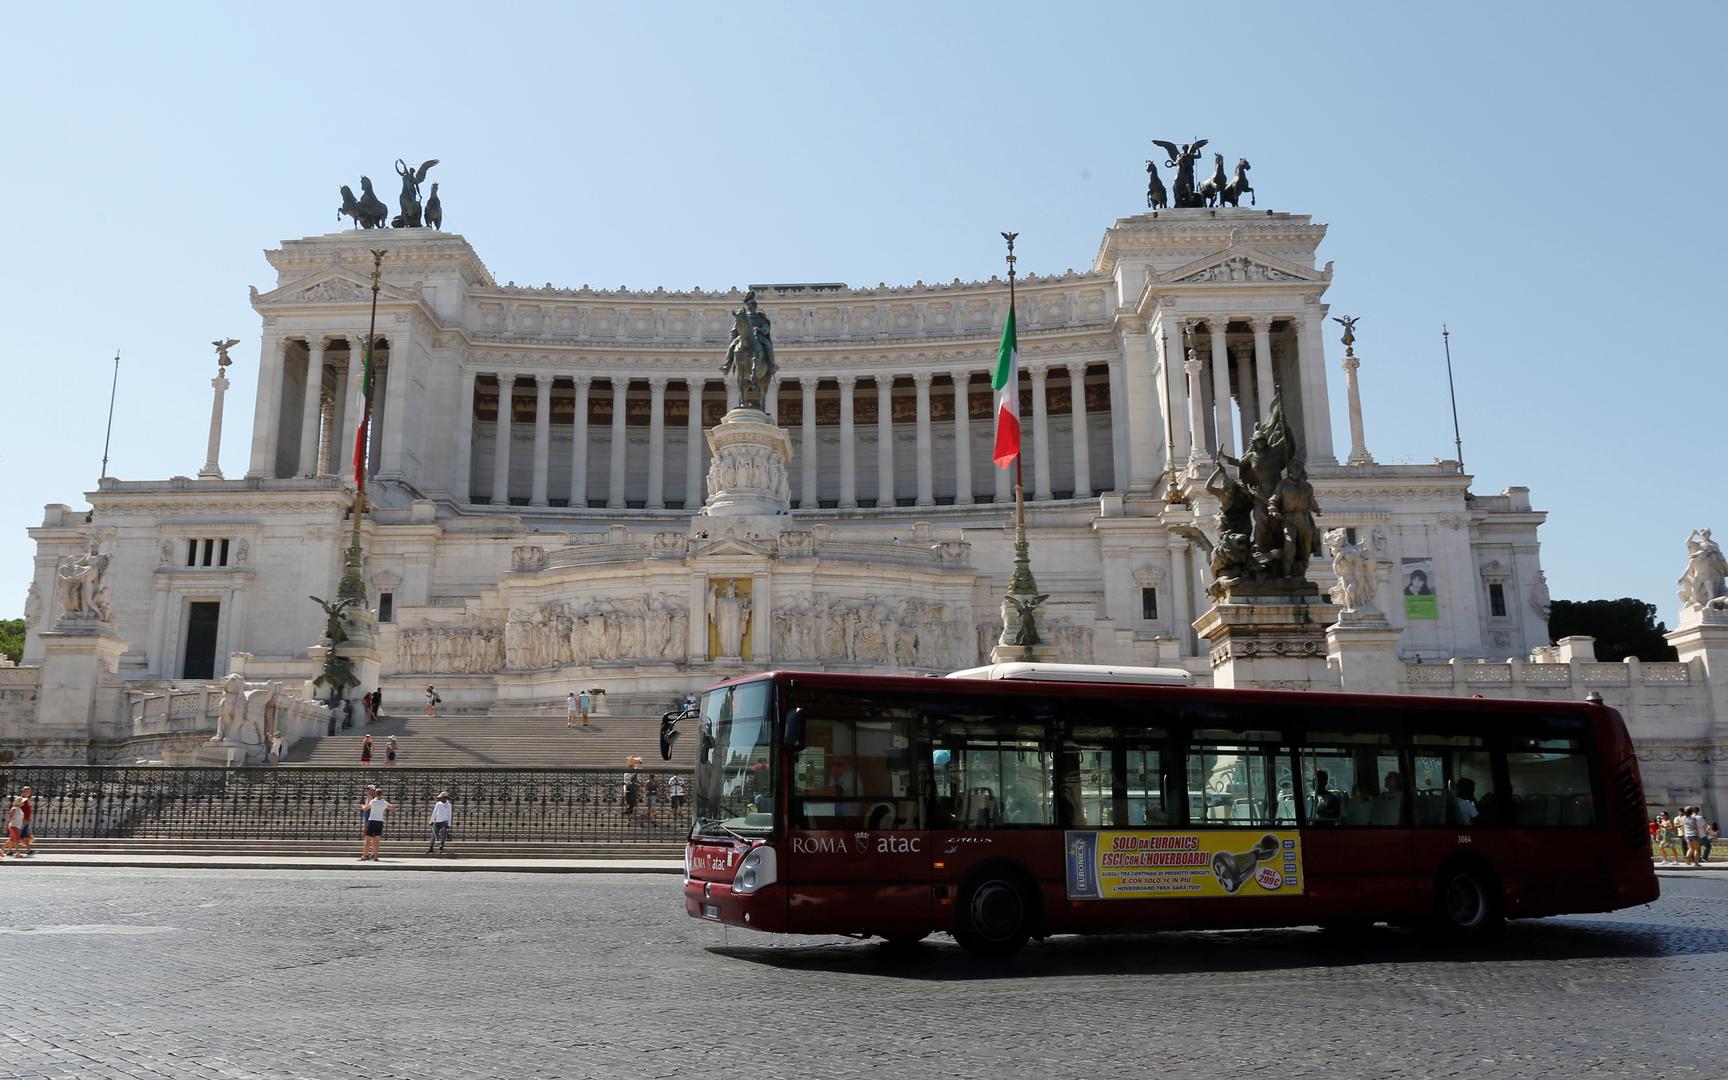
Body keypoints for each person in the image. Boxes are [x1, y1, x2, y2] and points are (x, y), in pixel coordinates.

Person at [359, 786, 392, 861]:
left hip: (372, 820)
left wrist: (362, 806)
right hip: (380, 821)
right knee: (377, 840)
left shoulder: (373, 801)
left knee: (367, 839)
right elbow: (391, 807)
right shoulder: (384, 802)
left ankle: (364, 856)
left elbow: (366, 808)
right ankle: (375, 856)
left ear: (376, 794)